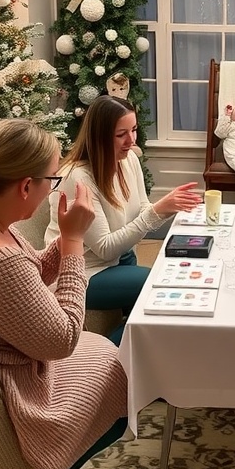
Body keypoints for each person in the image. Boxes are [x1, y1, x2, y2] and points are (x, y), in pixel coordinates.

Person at [0, 118, 130, 469]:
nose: (55, 187)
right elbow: (63, 338)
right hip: (3, 399)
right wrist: (72, 244)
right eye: (51, 178)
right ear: (26, 186)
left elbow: (20, 280)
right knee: (124, 373)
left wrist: (64, 238)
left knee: (104, 352)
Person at [46, 95, 202, 342]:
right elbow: (105, 248)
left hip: (121, 257)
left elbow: (141, 208)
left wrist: (167, 209)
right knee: (158, 284)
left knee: (159, 307)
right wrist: (158, 210)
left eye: (134, 130)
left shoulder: (128, 159)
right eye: (121, 134)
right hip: (86, 271)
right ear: (99, 136)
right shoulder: (77, 178)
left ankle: (147, 352)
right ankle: (113, 355)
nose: (131, 141)